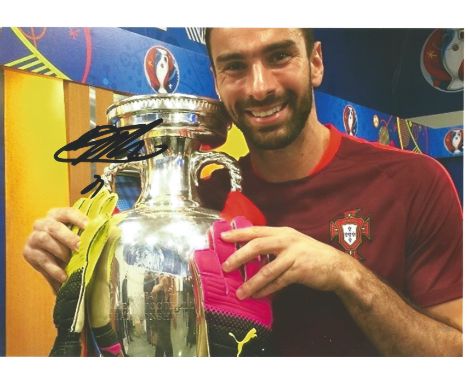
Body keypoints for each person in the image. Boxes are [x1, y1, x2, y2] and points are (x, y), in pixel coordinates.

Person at [23, 28, 462, 356]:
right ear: (216, 80)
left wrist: (348, 277)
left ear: (316, 63)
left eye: (278, 56)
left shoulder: (414, 181)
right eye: (235, 66)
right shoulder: (204, 205)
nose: (259, 86)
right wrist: (78, 273)